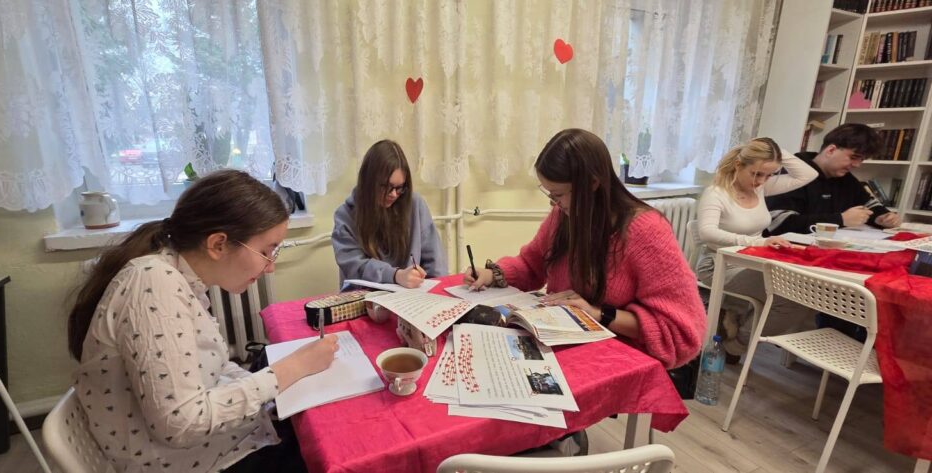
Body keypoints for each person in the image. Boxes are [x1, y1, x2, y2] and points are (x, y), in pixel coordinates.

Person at [67, 170, 338, 473]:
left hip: (210, 445)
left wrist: (271, 392)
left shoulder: (177, 278)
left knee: (312, 420)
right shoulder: (155, 284)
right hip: (183, 462)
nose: (270, 267)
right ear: (218, 244)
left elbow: (213, 368)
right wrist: (291, 369)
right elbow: (180, 424)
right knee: (330, 446)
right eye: (266, 251)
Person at [464, 128, 705, 370]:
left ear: (592, 183)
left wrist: (596, 313)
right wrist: (491, 274)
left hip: (615, 358)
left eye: (558, 194)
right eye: (549, 193)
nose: (554, 203)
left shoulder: (646, 231)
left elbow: (680, 330)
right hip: (563, 345)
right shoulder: (564, 216)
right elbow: (531, 263)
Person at [695, 138, 818, 358]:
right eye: (756, 173)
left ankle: (736, 335)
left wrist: (774, 149)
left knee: (803, 290)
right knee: (792, 300)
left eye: (769, 175)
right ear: (738, 165)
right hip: (718, 264)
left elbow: (808, 175)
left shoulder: (760, 188)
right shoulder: (716, 193)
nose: (761, 180)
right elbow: (707, 233)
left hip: (754, 260)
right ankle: (736, 346)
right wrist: (757, 242)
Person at [332, 139, 447, 288]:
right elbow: (355, 267)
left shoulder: (415, 204)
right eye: (386, 186)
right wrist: (395, 275)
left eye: (399, 188)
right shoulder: (345, 216)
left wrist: (437, 292)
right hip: (364, 297)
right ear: (369, 182)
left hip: (411, 296)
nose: (393, 194)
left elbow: (435, 264)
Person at [767, 123, 902, 235]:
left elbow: (869, 205)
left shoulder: (845, 178)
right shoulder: (793, 172)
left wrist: (882, 217)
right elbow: (778, 223)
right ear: (830, 150)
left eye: (862, 159)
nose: (857, 165)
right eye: (853, 157)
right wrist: (840, 219)